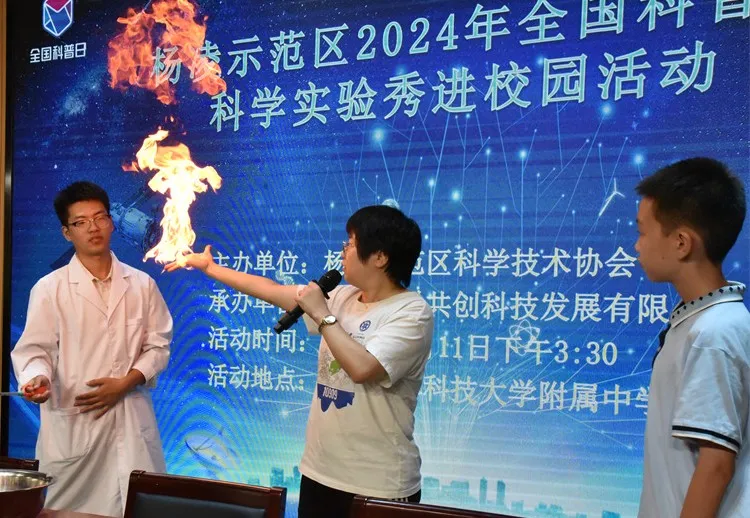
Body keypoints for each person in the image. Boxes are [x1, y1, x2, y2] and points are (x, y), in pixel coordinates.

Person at [167, 204, 434, 518]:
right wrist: (210, 268)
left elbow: (363, 368)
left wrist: (321, 313)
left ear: (380, 257)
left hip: (378, 484)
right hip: (320, 473)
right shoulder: (342, 296)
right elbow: (270, 290)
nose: (343, 251)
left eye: (351, 243)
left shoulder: (411, 312)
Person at [11, 181, 173, 517]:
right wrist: (37, 378)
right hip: (76, 430)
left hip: (132, 427)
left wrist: (126, 382)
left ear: (112, 222)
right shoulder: (49, 289)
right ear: (67, 233)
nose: (93, 228)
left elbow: (158, 346)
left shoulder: (142, 285)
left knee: (138, 507)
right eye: (81, 222)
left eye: (100, 218)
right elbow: (33, 351)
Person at [635, 158, 749, 517]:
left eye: (643, 232)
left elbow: (715, 466)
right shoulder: (705, 322)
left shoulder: (712, 333)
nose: (637, 246)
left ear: (682, 242)